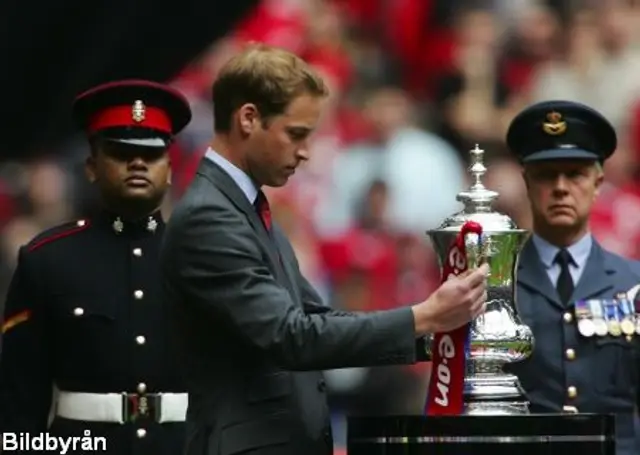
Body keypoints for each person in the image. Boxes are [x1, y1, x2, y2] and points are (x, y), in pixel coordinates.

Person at [159, 43, 489, 455]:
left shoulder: (243, 207)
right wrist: (422, 318)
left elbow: (316, 318)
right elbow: (291, 336)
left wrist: (437, 332)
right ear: (248, 118)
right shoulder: (211, 217)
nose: (305, 151)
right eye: (295, 134)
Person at [0, 80, 192, 455]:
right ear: (91, 166)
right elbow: (18, 402)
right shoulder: (48, 259)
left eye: (151, 155)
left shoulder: (205, 260)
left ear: (169, 170)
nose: (137, 163)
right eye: (121, 152)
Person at [504, 100, 640, 455]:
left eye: (575, 174)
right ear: (527, 183)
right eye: (547, 175)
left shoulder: (634, 284)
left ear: (598, 183)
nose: (561, 188)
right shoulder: (496, 287)